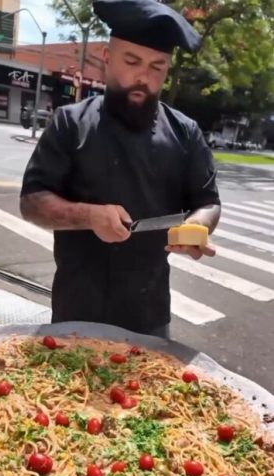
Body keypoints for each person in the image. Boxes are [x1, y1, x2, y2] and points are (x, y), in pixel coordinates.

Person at [19, 0, 220, 338]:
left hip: (149, 317)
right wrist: (89, 216)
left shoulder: (186, 133)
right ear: (108, 58)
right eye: (132, 61)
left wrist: (199, 225)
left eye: (157, 67)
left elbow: (208, 202)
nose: (144, 76)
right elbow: (31, 202)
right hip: (75, 311)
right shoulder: (71, 122)